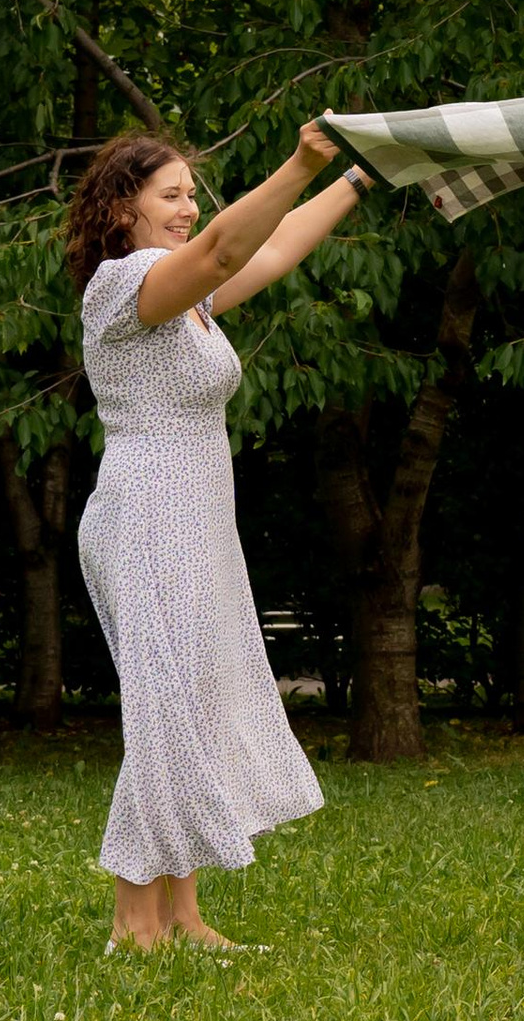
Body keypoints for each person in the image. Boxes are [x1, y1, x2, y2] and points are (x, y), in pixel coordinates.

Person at [64, 120, 368, 952]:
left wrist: (355, 182)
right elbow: (233, 250)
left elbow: (268, 254)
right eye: (172, 195)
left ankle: (184, 915)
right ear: (122, 208)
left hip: (195, 516)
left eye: (193, 195)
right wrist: (302, 161)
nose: (190, 208)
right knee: (166, 713)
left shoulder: (184, 293)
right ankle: (135, 924)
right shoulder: (123, 286)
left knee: (189, 706)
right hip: (146, 517)